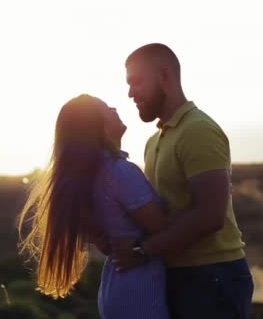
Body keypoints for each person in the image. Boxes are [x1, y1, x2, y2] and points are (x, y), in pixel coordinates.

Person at [110, 43, 254, 318]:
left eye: (137, 82)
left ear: (164, 76)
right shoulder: (154, 141)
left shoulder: (198, 130)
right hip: (175, 274)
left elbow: (211, 215)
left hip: (212, 275)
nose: (130, 93)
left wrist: (142, 252)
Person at [17, 94, 170, 318]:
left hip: (117, 286)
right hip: (139, 289)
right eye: (106, 108)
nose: (114, 107)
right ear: (97, 126)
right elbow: (166, 229)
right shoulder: (120, 172)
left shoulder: (90, 175)